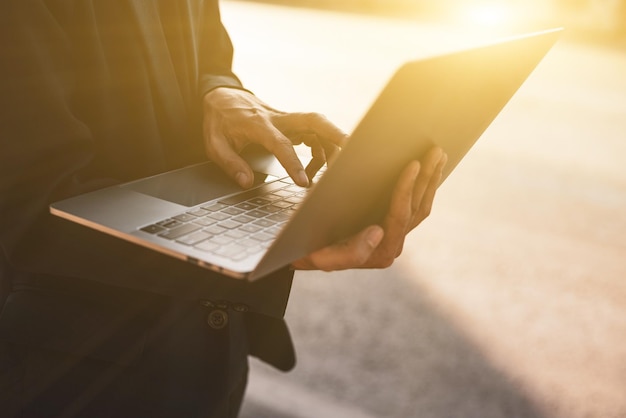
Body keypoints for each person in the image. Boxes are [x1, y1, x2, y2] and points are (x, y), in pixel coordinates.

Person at [0, 1, 447, 417]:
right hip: (76, 378)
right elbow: (35, 204)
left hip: (207, 350)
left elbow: (206, 52)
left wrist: (223, 92)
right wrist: (255, 244)